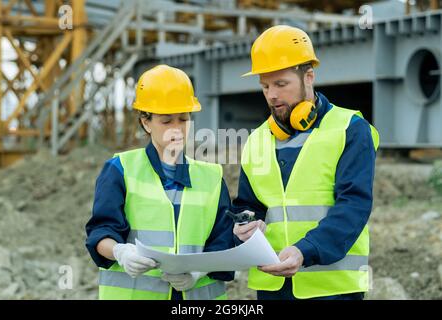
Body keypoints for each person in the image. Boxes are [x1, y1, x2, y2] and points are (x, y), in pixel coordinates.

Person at [232, 25, 380, 300]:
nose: (271, 95)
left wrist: (306, 249)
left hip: (334, 289)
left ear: (308, 77)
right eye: (265, 86)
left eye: (281, 84)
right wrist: (246, 224)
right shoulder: (258, 139)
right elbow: (249, 205)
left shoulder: (350, 128)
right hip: (272, 286)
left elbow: (354, 205)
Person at [85, 64, 234, 300]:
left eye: (183, 120)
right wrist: (119, 251)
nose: (176, 130)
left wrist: (198, 271)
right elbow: (100, 231)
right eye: (166, 122)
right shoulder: (120, 169)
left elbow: (223, 241)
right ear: (146, 122)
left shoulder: (212, 177)